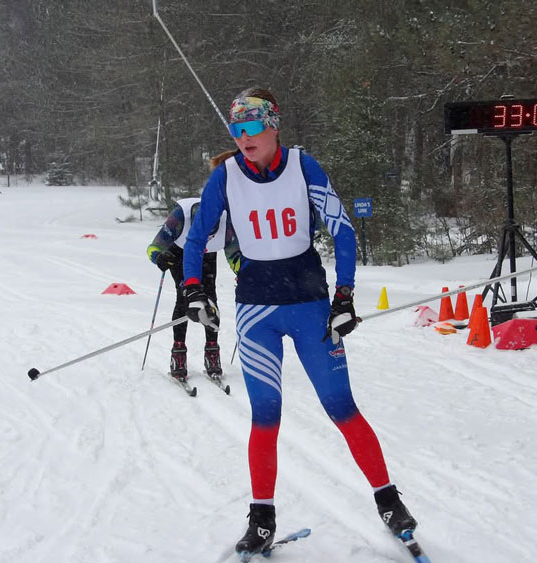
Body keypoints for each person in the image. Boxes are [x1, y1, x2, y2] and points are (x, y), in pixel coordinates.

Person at [180, 88, 419, 556]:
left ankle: (389, 503)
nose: (244, 137)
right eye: (237, 129)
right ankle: (262, 519)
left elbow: (342, 228)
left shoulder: (302, 166)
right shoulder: (225, 176)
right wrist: (193, 289)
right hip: (257, 311)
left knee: (342, 408)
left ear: (274, 127)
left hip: (310, 304)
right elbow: (196, 237)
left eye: (252, 127)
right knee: (265, 416)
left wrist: (345, 294)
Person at [146, 198, 228, 381]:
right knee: (185, 297)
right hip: (179, 250)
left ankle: (212, 351)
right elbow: (153, 247)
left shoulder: (224, 218)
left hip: (206, 253)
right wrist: (159, 257)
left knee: (209, 296)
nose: (207, 236)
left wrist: (243, 270)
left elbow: (235, 250)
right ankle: (178, 352)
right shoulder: (179, 217)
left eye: (211, 233)